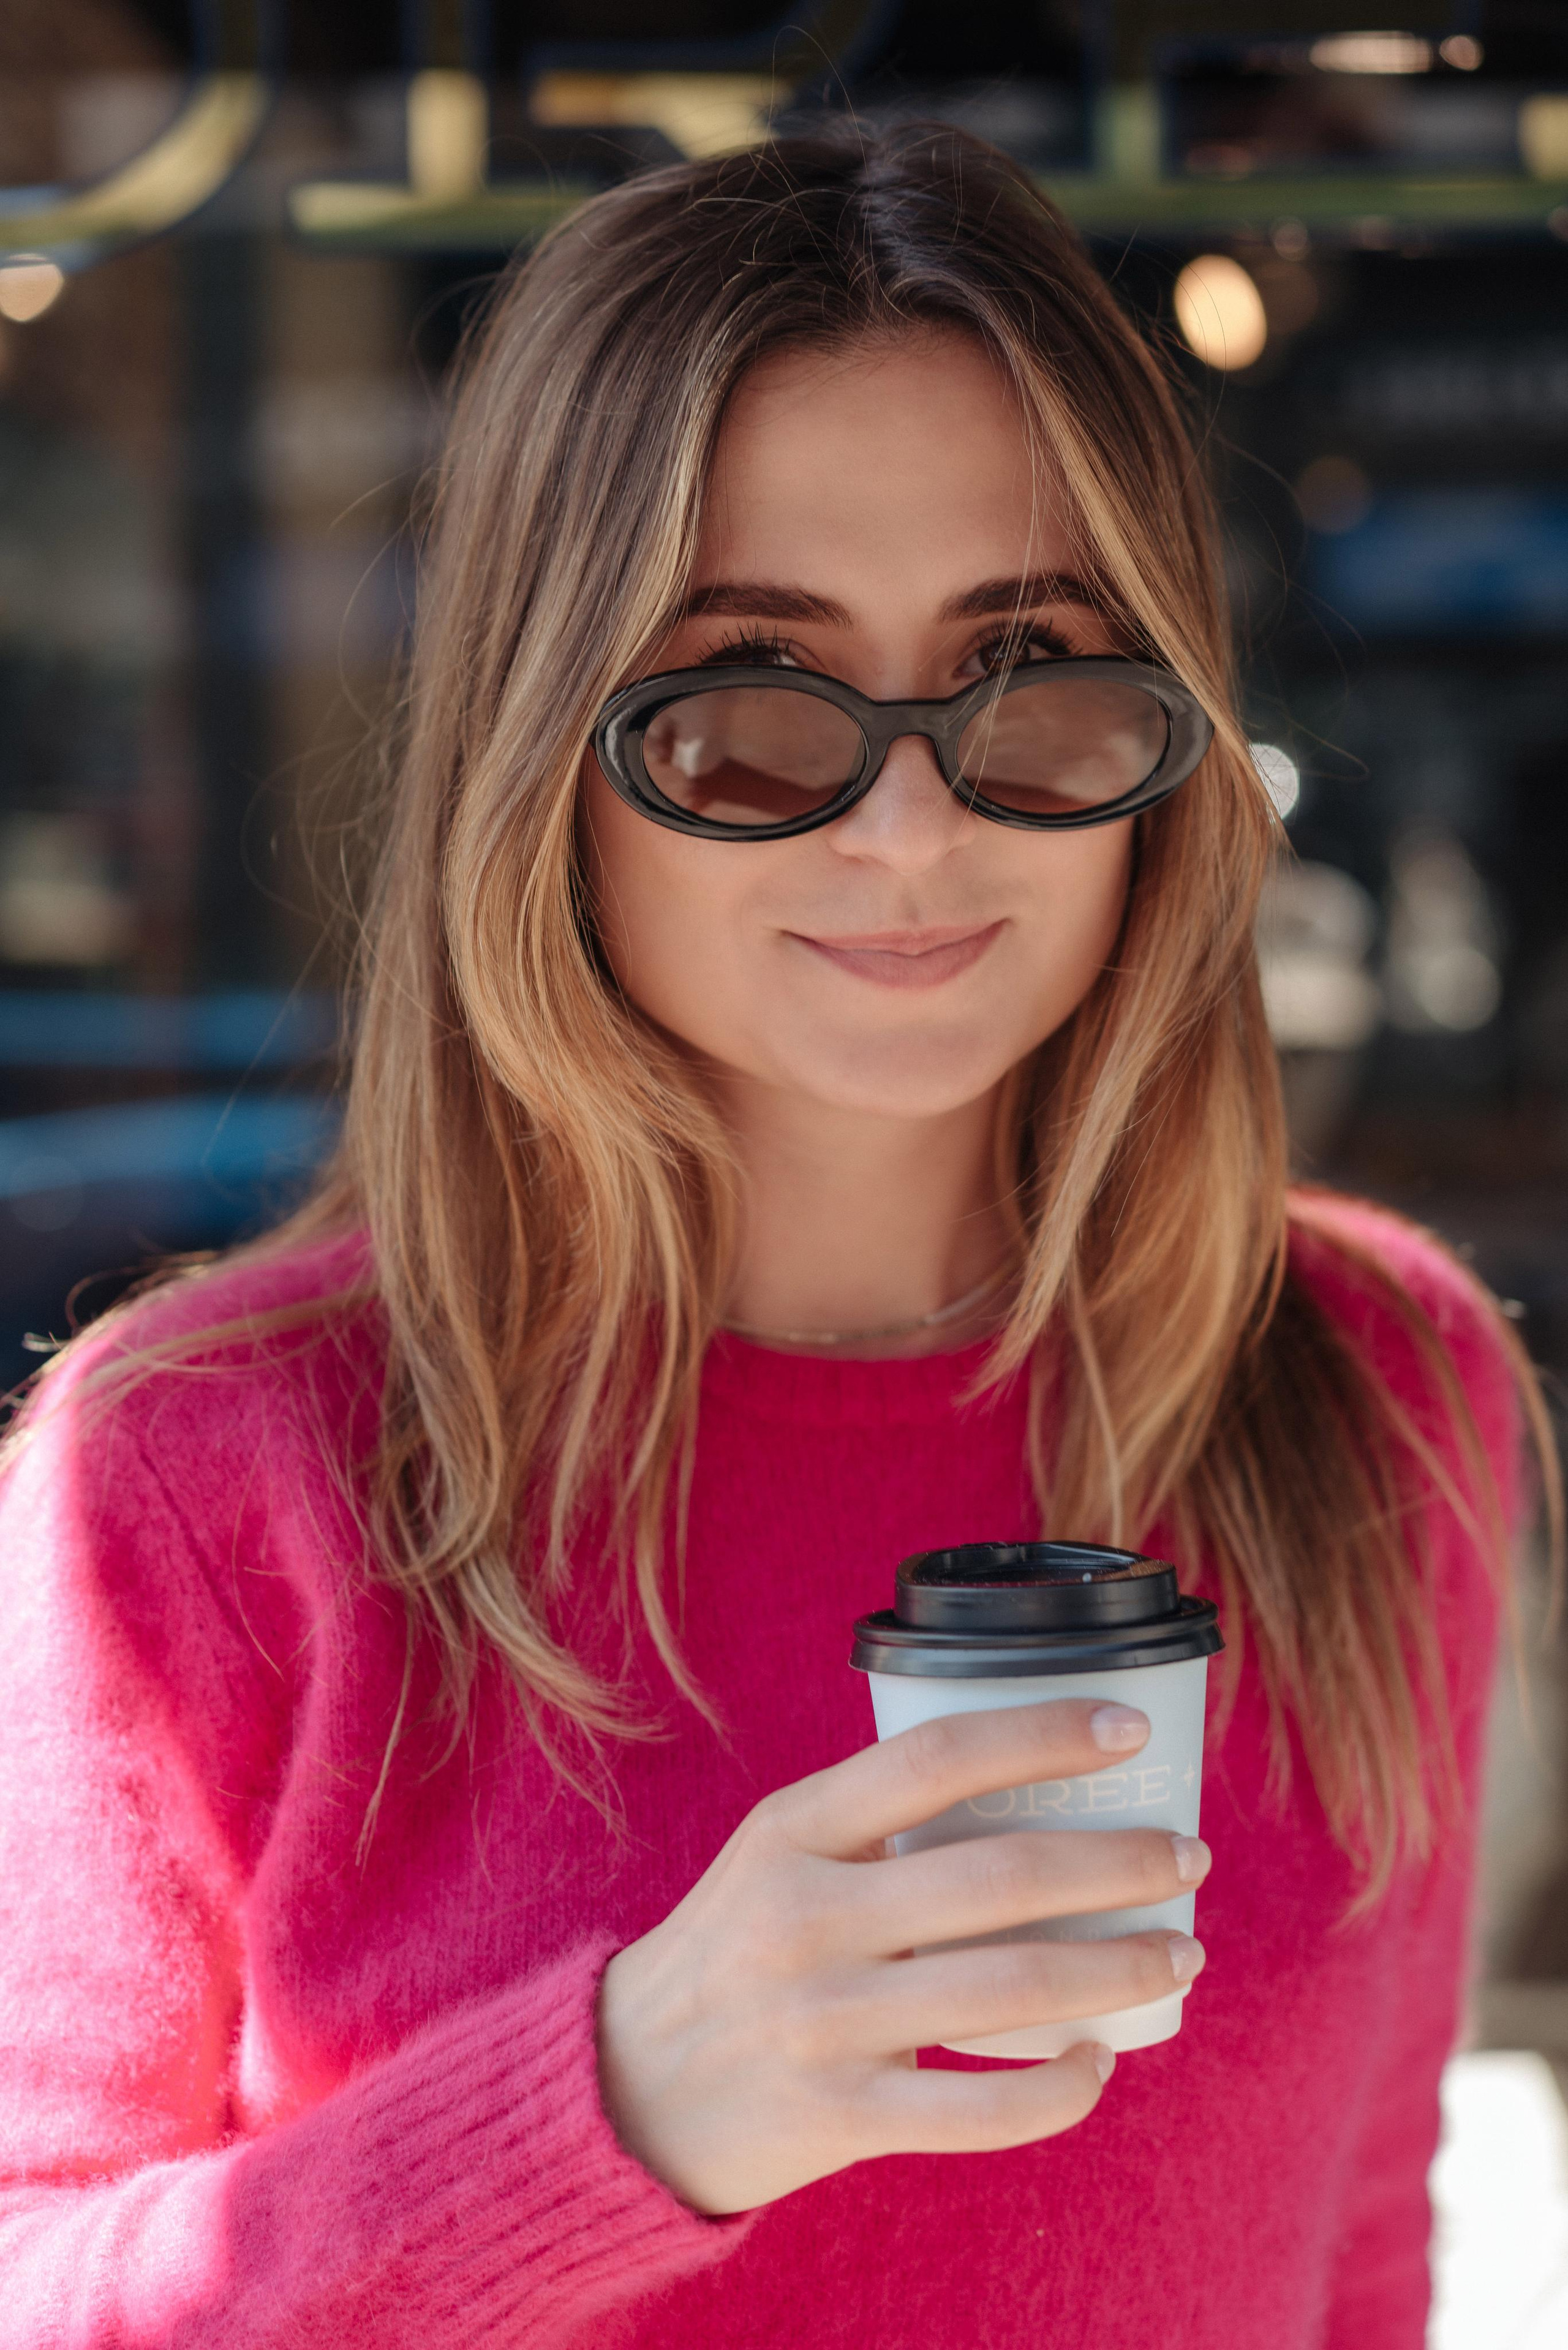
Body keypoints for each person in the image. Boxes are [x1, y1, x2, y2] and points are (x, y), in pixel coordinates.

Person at [0, 125, 1554, 2350]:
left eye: (1029, 677)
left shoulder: (1372, 1381)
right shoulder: (188, 1476)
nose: (916, 830)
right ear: (552, 759)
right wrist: (627, 2103)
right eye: (745, 713)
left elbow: (1354, 2265)